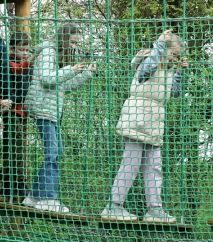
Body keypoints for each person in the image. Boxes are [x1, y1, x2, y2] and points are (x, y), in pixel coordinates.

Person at [101, 29, 188, 223]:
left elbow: (175, 93)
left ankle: (155, 209)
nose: (176, 58)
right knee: (131, 163)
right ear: (163, 49)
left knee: (154, 166)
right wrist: (158, 43)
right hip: (137, 117)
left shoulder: (168, 70)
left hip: (155, 121)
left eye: (178, 55)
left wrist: (179, 72)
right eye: (174, 54)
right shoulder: (148, 62)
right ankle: (114, 206)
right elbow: (146, 72)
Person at [22, 23, 96, 213]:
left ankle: (34, 196)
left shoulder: (58, 55)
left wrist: (86, 73)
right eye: (72, 42)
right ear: (63, 38)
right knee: (52, 153)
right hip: (43, 108)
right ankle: (48, 198)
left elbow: (64, 85)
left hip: (52, 110)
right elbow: (47, 78)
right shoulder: (48, 53)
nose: (74, 47)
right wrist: (72, 69)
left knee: (57, 152)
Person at [0, 32, 38, 200]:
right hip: (12, 110)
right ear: (12, 48)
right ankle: (12, 183)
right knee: (14, 148)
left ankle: (17, 182)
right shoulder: (6, 63)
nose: (25, 52)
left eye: (26, 49)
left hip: (23, 111)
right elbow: (16, 69)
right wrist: (31, 59)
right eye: (21, 49)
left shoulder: (28, 65)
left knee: (20, 148)